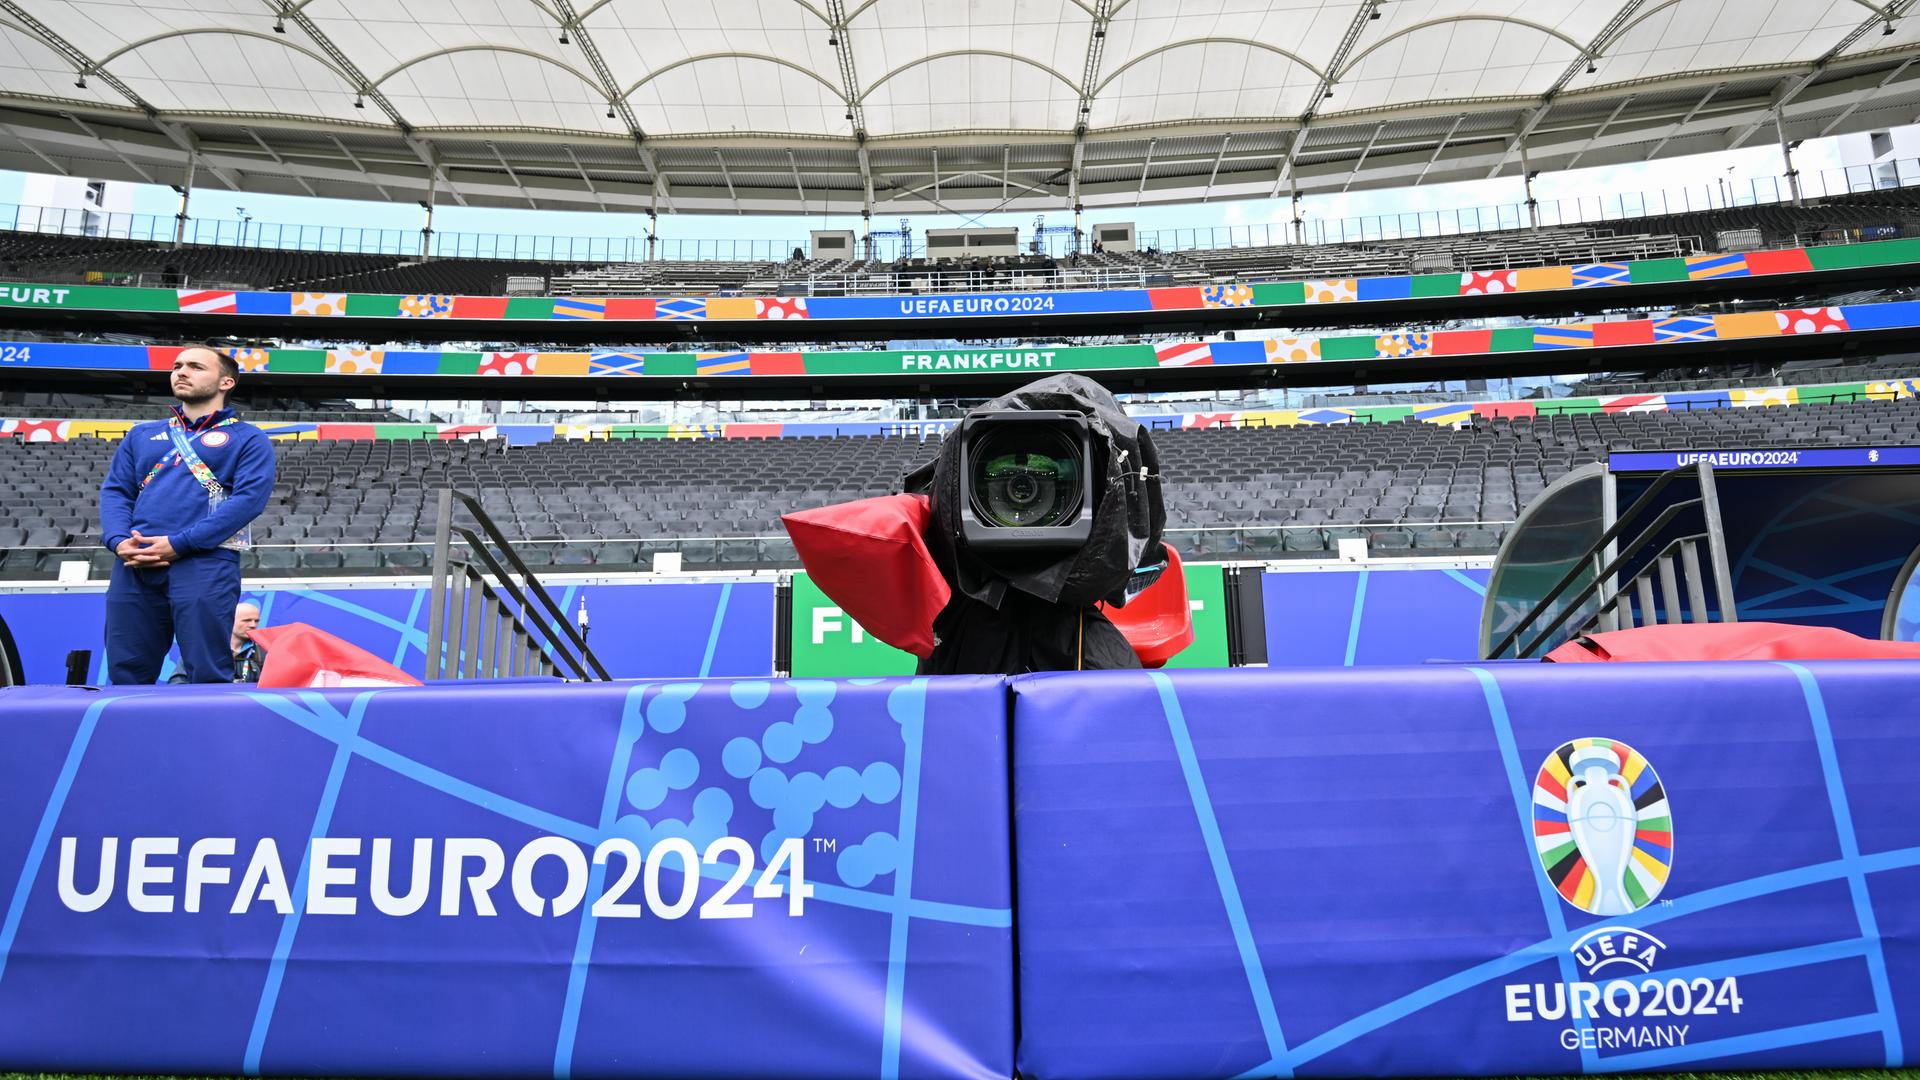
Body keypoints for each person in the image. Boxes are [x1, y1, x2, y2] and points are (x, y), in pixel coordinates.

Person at [99, 346, 276, 684]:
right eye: (177, 365)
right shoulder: (141, 434)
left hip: (204, 562)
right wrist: (119, 540)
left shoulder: (249, 439)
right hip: (135, 562)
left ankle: (207, 738)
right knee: (126, 673)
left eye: (195, 367)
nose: (181, 371)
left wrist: (180, 543)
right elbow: (116, 491)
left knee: (206, 671)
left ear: (226, 382)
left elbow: (249, 500)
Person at [231, 600, 265, 682]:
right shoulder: (211, 650)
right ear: (230, 620)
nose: (253, 625)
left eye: (256, 621)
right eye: (247, 620)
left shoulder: (265, 651)